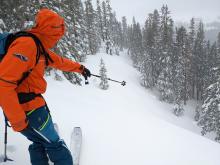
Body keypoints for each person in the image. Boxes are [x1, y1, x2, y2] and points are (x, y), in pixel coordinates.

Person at [0, 8, 91, 165]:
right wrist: (17, 119)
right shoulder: (27, 45)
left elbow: (60, 61)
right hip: (28, 110)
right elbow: (3, 83)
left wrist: (80, 68)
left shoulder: (38, 47)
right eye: (57, 36)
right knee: (55, 145)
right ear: (50, 32)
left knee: (39, 142)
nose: (57, 40)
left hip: (31, 107)